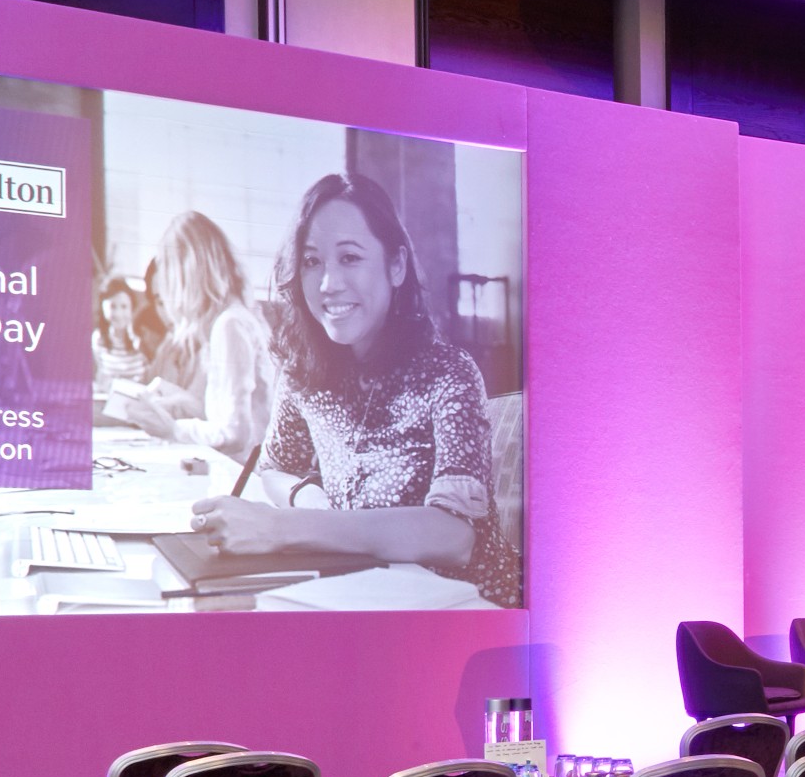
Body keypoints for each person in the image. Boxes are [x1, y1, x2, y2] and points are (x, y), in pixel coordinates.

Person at [187, 172, 519, 606]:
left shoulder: (448, 374)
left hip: (461, 610)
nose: (328, 284)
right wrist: (308, 496)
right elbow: (274, 468)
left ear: (396, 265)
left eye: (350, 258)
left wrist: (279, 528)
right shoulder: (305, 372)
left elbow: (454, 534)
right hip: (360, 594)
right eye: (312, 261)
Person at [105, 213, 268, 458]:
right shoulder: (232, 320)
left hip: (243, 481)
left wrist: (173, 430)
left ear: (186, 272)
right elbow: (227, 416)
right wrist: (172, 396)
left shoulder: (229, 324)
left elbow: (235, 435)